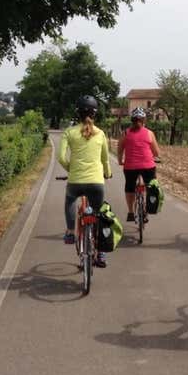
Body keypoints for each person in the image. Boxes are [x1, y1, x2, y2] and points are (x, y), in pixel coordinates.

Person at [57, 95, 112, 267]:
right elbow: (105, 159)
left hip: (75, 181)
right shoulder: (101, 133)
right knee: (99, 215)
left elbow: (60, 157)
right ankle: (101, 253)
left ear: (77, 113)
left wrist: (70, 169)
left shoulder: (69, 132)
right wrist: (107, 173)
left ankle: (70, 232)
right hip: (96, 182)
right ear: (95, 114)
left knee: (70, 201)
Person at [117, 107, 161, 222]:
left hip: (130, 167)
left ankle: (131, 212)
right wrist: (155, 157)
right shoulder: (150, 133)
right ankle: (146, 209)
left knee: (129, 188)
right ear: (144, 120)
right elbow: (156, 152)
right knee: (150, 186)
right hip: (148, 167)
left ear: (132, 120)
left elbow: (120, 149)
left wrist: (120, 161)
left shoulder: (125, 133)